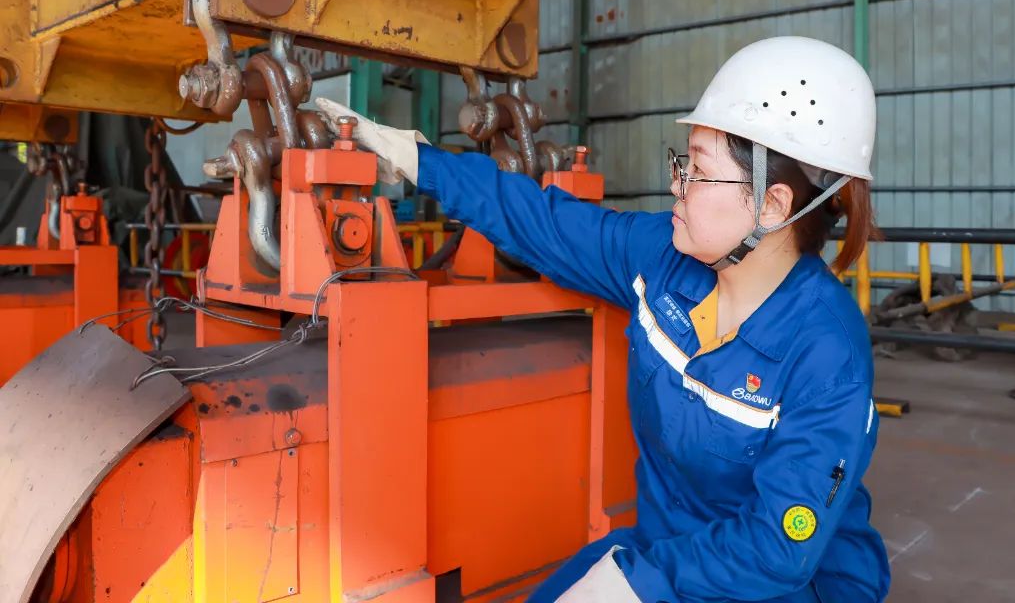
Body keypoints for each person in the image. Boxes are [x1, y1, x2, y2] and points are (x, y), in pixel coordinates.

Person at [316, 36, 890, 603]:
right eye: (682, 162)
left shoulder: (827, 352)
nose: (676, 185)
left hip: (783, 585)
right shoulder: (662, 261)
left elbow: (778, 548)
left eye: (697, 169)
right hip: (664, 549)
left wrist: (640, 584)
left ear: (771, 205)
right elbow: (547, 224)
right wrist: (422, 161)